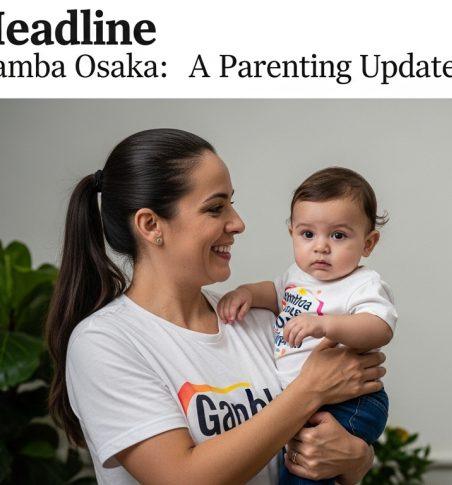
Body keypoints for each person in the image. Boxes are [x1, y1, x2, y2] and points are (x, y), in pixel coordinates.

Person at [45, 129, 384, 484]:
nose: (237, 223)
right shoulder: (105, 343)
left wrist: (355, 459)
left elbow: (323, 449)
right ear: (150, 225)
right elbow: (181, 478)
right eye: (215, 208)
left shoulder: (258, 319)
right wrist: (310, 389)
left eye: (232, 204)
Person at [218, 167, 396, 485]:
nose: (321, 246)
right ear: (292, 234)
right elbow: (272, 293)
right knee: (298, 468)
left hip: (350, 402)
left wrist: (326, 325)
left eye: (338, 235)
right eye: (308, 234)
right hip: (306, 401)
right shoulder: (295, 276)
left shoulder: (362, 283)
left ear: (368, 243)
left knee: (303, 474)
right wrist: (245, 293)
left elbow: (379, 327)